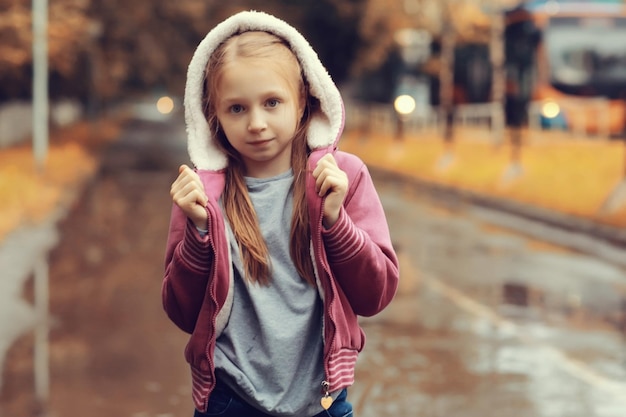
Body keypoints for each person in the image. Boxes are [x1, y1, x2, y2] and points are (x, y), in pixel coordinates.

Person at [162, 10, 399, 417]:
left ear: (304, 99)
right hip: (228, 400)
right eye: (237, 108)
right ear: (213, 114)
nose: (256, 123)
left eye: (272, 102)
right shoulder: (202, 194)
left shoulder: (344, 177)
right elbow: (183, 313)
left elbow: (376, 294)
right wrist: (199, 233)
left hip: (322, 402)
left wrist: (335, 223)